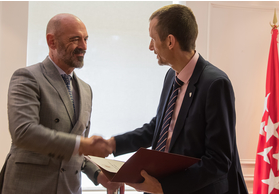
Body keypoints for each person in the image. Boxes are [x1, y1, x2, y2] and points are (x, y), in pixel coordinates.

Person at [106, 4, 248, 194]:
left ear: (170, 41)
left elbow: (219, 160)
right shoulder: (171, 77)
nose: (150, 47)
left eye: (153, 39)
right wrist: (114, 144)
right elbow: (159, 127)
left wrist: (165, 187)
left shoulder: (215, 84)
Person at [0, 13, 120, 193]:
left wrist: (99, 175)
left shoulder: (86, 90)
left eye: (85, 39)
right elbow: (23, 132)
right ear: (51, 42)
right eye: (75, 39)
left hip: (69, 189)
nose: (83, 46)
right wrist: (82, 144)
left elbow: (77, 149)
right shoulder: (27, 77)